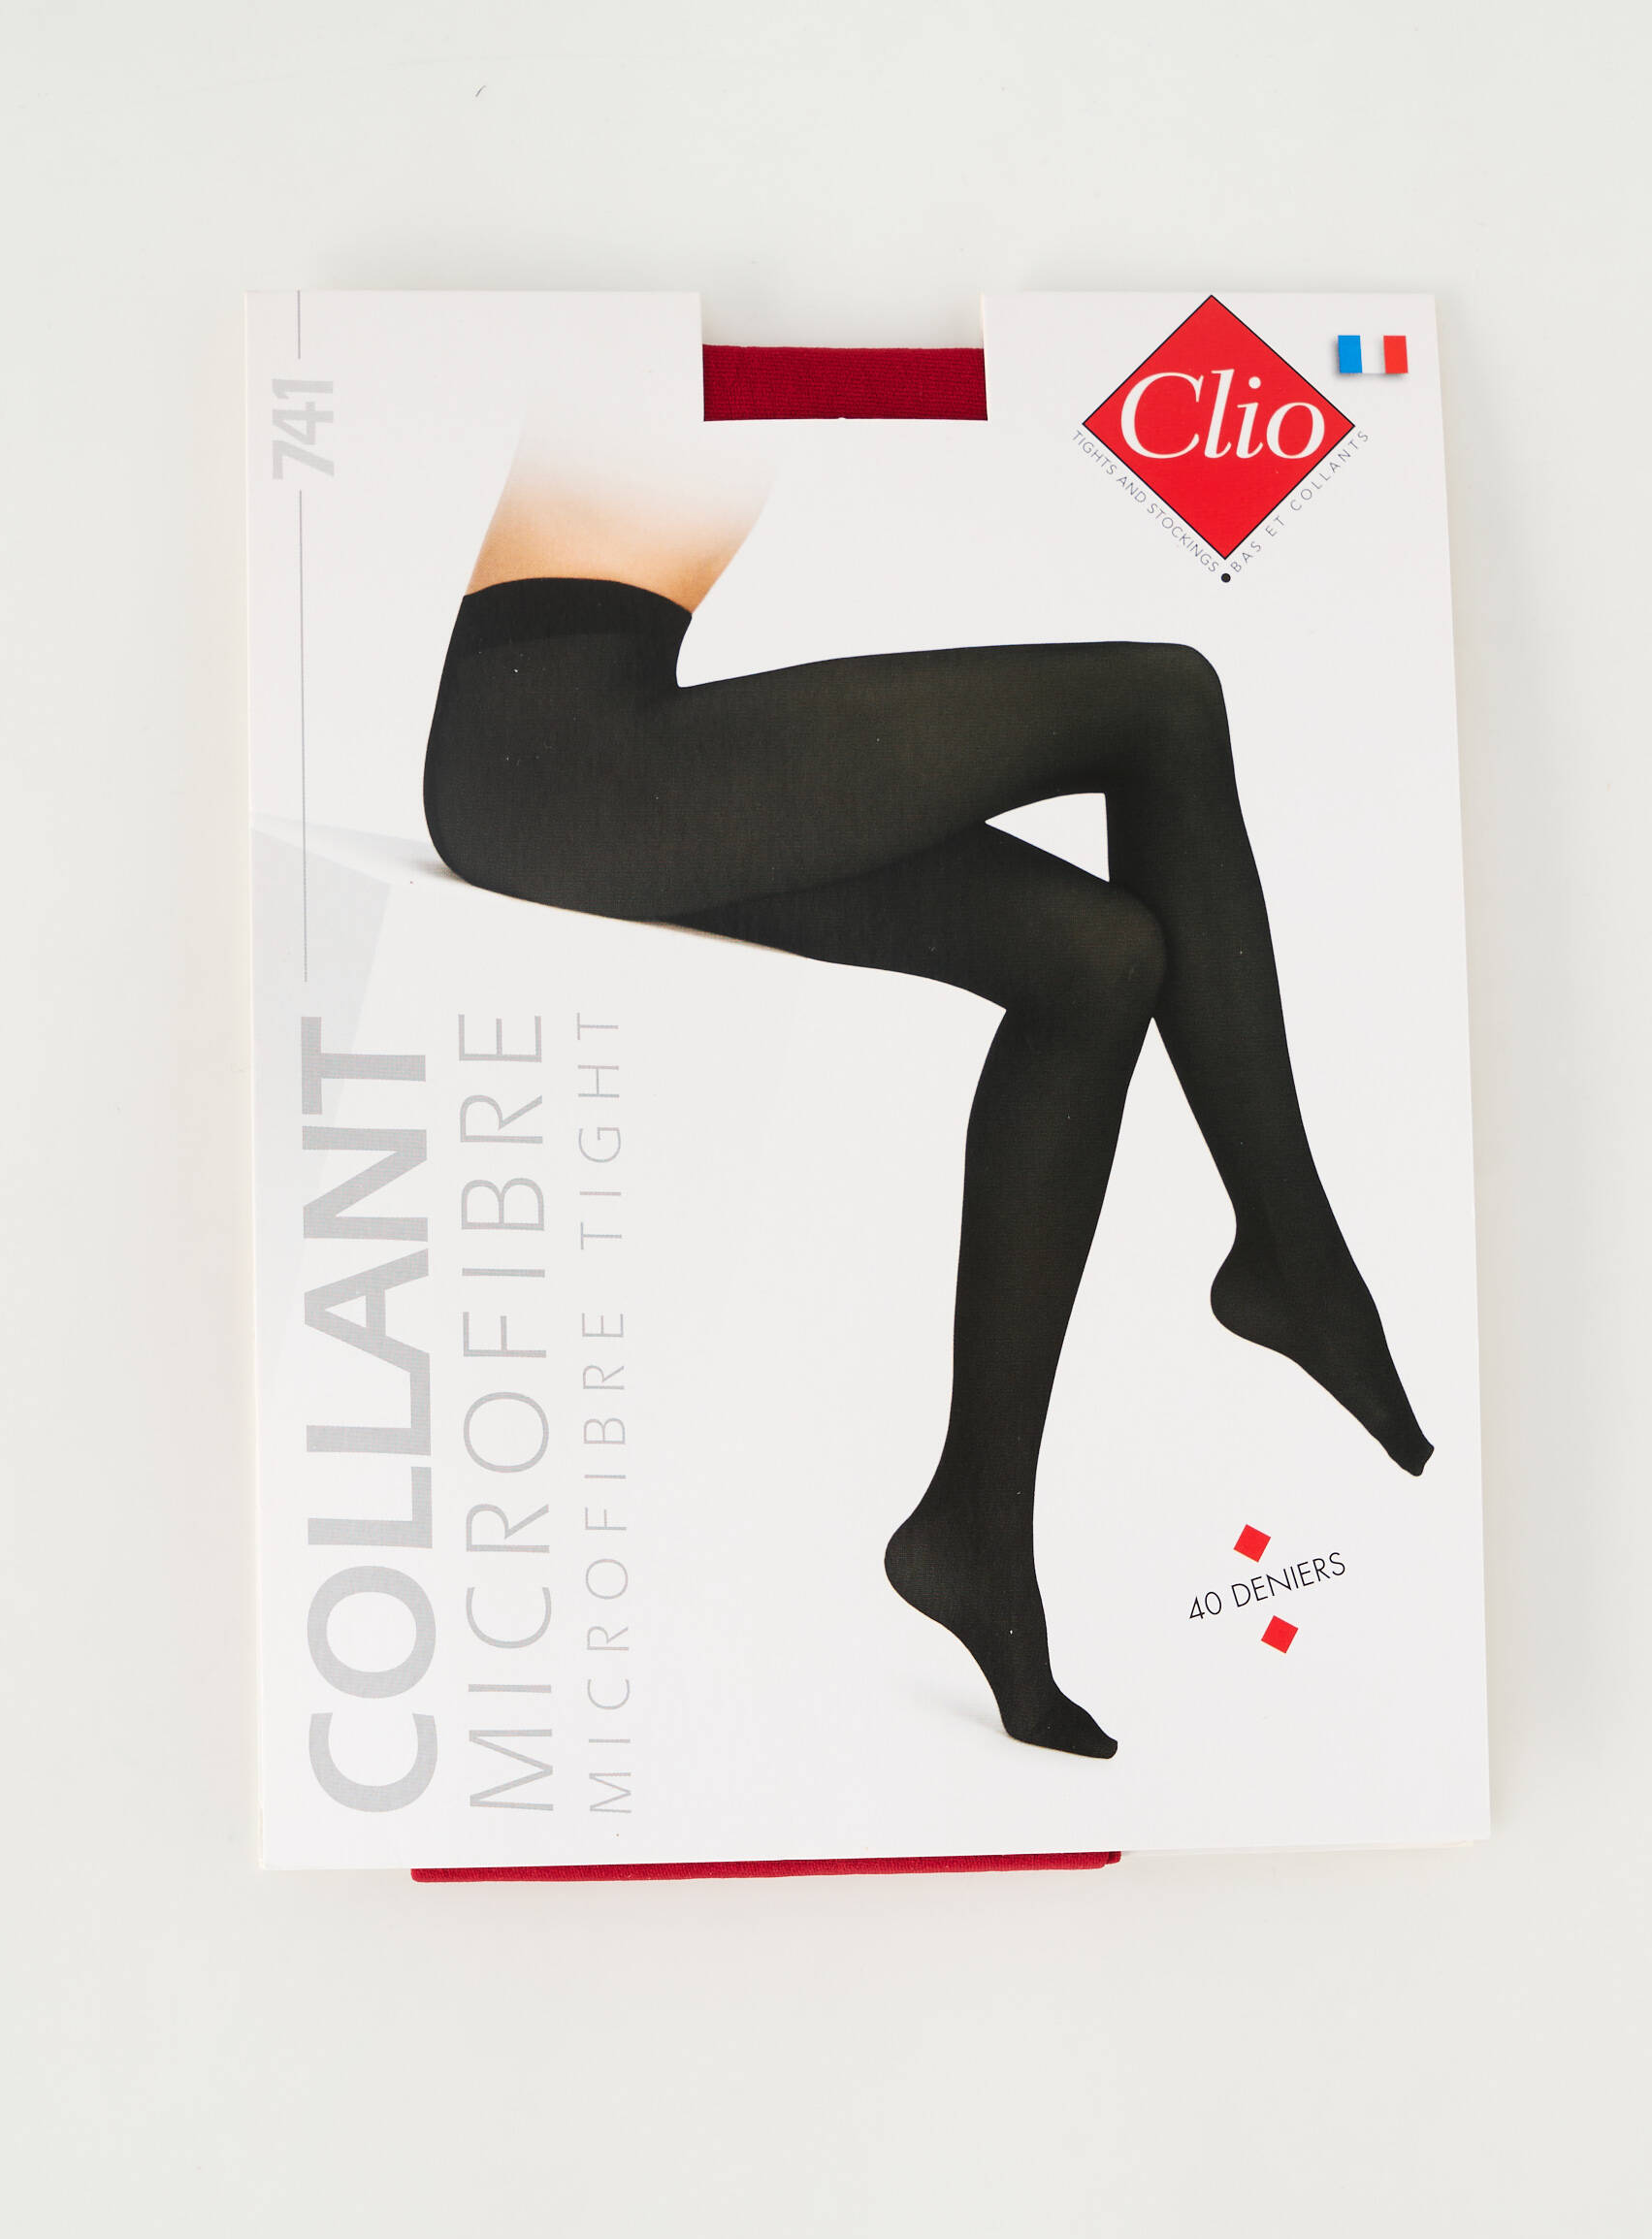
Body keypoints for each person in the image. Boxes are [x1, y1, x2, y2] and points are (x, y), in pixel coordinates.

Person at [424, 423, 1431, 1760]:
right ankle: (1296, 1263)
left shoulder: (731, 373)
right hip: (551, 769)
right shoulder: (641, 362)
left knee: (1101, 960)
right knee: (1162, 700)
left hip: (617, 769)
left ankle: (974, 1530)